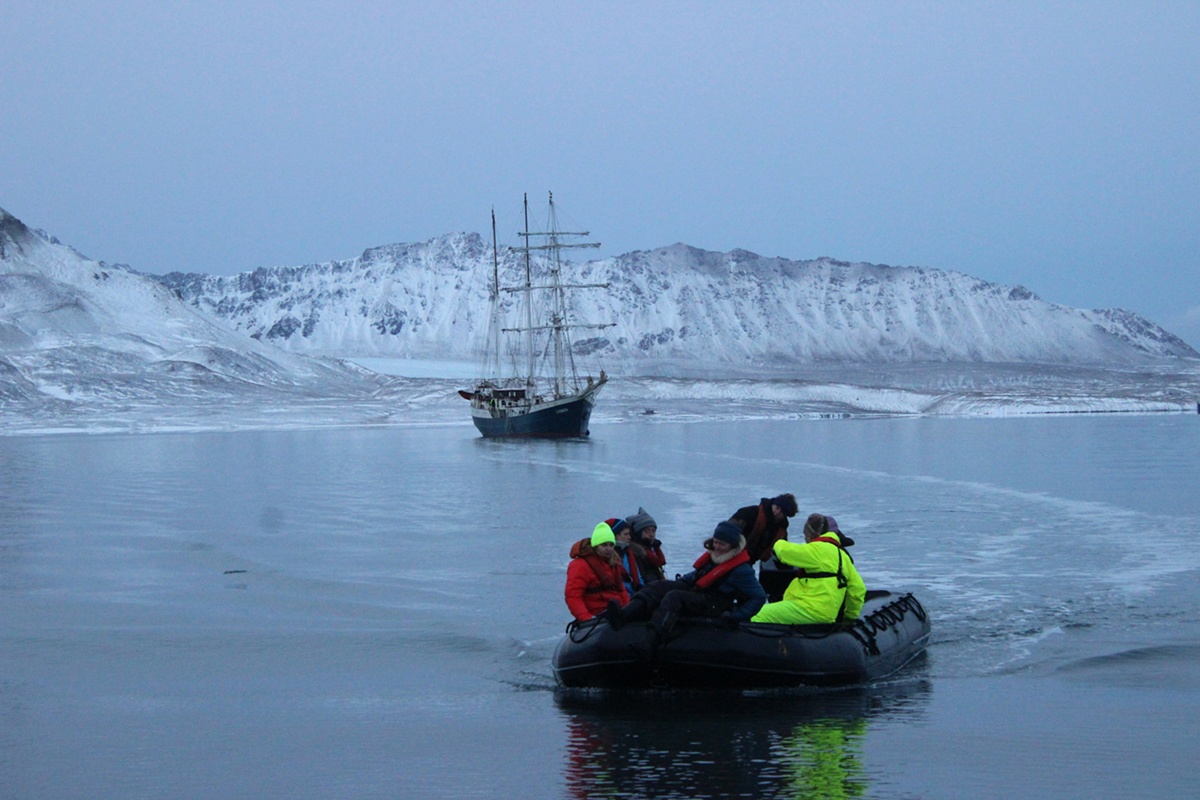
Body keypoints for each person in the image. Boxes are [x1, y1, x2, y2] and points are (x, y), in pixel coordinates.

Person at [604, 520, 766, 639]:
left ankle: (652, 639)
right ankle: (624, 615)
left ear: (733, 546)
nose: (716, 547)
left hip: (715, 604)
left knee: (674, 597)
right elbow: (698, 575)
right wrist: (680, 583)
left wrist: (736, 616)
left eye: (721, 544)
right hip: (701, 595)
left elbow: (758, 596)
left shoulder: (742, 570)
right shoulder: (715, 556)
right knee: (657, 587)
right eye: (715, 542)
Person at [750, 513, 865, 625]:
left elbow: (784, 552)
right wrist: (849, 617)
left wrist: (777, 541)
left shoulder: (815, 550)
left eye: (805, 536)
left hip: (810, 609)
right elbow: (858, 589)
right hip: (828, 614)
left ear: (810, 535)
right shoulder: (842, 555)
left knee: (757, 614)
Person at [565, 522, 630, 621]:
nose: (609, 549)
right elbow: (573, 596)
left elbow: (621, 591)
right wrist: (587, 618)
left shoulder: (613, 563)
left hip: (615, 613)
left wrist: (628, 612)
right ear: (596, 546)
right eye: (604, 545)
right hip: (596, 616)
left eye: (611, 545)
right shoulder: (580, 566)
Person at [729, 493, 799, 563]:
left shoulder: (781, 531)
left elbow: (780, 552)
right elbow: (727, 531)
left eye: (782, 512)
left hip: (749, 561)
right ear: (773, 504)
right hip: (730, 554)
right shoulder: (748, 513)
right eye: (777, 508)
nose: (777, 512)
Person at [625, 507, 666, 583]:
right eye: (647, 531)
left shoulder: (649, 547)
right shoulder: (637, 552)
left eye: (653, 531)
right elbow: (660, 561)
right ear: (638, 533)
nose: (651, 534)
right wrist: (657, 547)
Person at [606, 518, 645, 597]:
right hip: (618, 597)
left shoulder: (628, 553)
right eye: (626, 534)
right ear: (616, 536)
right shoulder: (607, 555)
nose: (629, 537)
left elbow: (638, 576)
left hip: (633, 594)